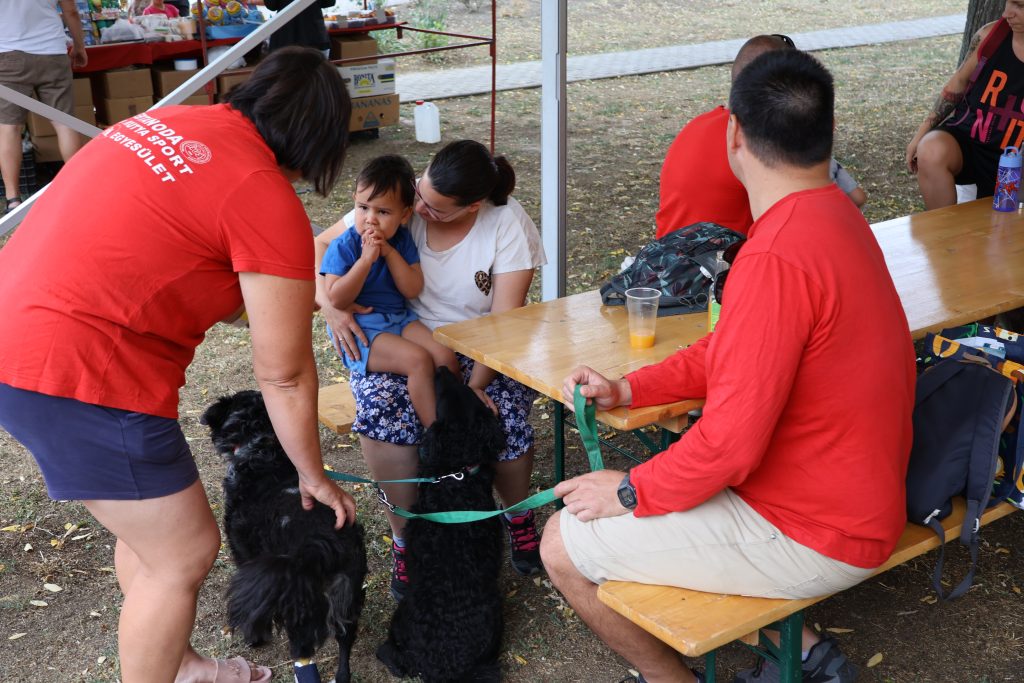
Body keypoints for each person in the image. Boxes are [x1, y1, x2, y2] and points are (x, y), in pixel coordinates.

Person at [542, 50, 916, 683]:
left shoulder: (775, 256)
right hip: (851, 498)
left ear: (734, 134)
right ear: (827, 133)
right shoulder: (837, 217)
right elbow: (730, 352)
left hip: (814, 525)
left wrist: (629, 490)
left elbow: (729, 448)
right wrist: (629, 386)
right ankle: (809, 655)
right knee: (674, 503)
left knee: (561, 544)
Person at [0, 47, 356, 683]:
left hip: (18, 330)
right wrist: (313, 474)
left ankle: (181, 663)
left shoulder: (170, 122)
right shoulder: (263, 192)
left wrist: (292, 286)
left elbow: (191, 264)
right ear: (319, 139)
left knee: (150, 528)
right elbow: (284, 374)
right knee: (183, 553)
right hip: (81, 372)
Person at [315, 139, 547, 600]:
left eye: (435, 208)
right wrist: (331, 307)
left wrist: (474, 388)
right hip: (396, 338)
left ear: (473, 206)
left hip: (481, 348)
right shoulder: (396, 199)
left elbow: (504, 321)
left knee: (500, 416)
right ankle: (407, 539)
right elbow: (322, 244)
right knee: (383, 414)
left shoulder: (506, 222)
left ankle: (517, 515)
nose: (421, 210)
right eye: (420, 196)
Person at [655, 34, 866, 239]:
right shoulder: (764, 140)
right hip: (725, 261)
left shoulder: (697, 125)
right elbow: (832, 211)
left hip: (668, 257)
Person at [321, 154, 459, 427]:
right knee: (418, 361)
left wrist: (389, 253)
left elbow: (412, 289)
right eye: (363, 208)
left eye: (383, 212)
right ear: (354, 202)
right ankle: (439, 434)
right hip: (362, 327)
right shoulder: (345, 246)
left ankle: (458, 415)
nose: (370, 219)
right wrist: (365, 261)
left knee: (445, 356)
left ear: (405, 215)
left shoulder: (401, 241)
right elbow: (336, 298)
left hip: (399, 318)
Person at [906, 1, 1024, 209]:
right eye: (1008, 2)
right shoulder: (990, 35)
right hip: (968, 140)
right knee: (931, 150)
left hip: (1014, 158)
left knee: (1000, 222)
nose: (1007, 13)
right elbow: (958, 82)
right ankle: (943, 228)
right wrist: (921, 134)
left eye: (1020, 6)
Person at [0, 0, 87, 213]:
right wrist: (79, 46)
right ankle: (79, 188)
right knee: (64, 123)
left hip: (8, 54)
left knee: (9, 127)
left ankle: (13, 199)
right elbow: (71, 11)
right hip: (52, 52)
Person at [263, 0, 335, 57]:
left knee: (284, 69)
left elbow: (271, 5)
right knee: (317, 69)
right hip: (313, 32)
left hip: (286, 34)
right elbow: (329, 2)